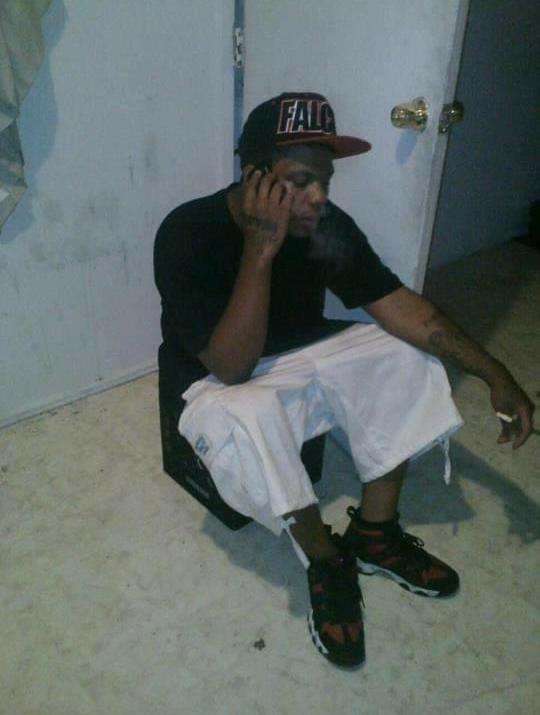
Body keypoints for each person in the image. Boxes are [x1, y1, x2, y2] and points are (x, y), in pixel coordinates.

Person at [153, 92, 534, 668]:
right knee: (248, 418)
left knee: (405, 356)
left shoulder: (321, 227)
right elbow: (231, 366)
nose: (319, 197)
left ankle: (375, 535)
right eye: (301, 181)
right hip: (216, 379)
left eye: (325, 180)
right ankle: (325, 559)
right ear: (254, 176)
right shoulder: (188, 232)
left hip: (301, 353)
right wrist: (261, 248)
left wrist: (494, 373)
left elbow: (401, 307)